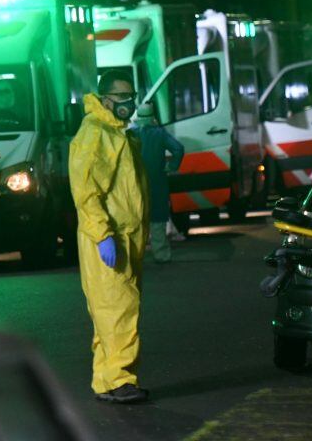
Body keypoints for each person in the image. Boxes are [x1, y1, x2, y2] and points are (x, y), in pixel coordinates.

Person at [69, 69, 149, 404]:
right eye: (122, 98)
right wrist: (103, 235)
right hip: (110, 238)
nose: (129, 104)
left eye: (132, 97)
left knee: (110, 313)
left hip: (124, 237)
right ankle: (119, 381)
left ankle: (107, 379)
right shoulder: (97, 134)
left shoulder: (118, 134)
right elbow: (87, 191)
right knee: (119, 312)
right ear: (105, 100)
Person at [131, 102, 185, 263]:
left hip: (135, 184)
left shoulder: (131, 135)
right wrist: (171, 166)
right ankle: (161, 254)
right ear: (153, 116)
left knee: (137, 219)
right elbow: (178, 149)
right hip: (157, 183)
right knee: (157, 220)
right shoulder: (160, 133)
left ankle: (135, 256)